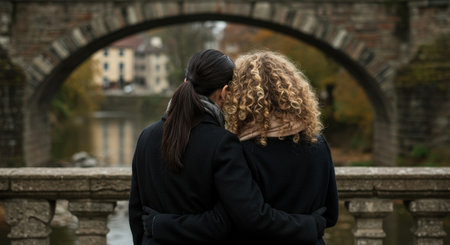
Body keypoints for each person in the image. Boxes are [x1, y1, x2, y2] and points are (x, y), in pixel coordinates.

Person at [128, 49, 327, 245]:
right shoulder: (222, 143)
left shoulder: (146, 136)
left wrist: (156, 227)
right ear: (224, 93)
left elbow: (136, 212)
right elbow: (229, 221)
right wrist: (311, 225)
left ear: (185, 82)